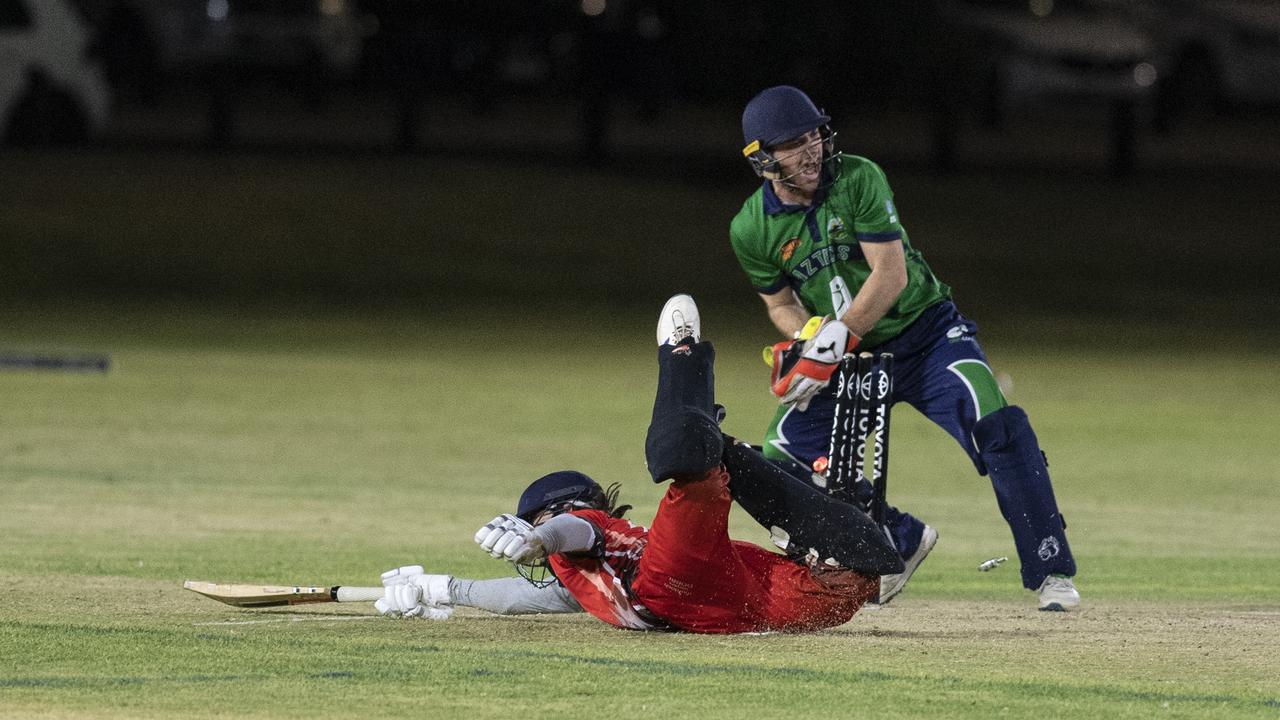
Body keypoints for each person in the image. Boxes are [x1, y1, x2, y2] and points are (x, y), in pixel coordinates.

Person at [730, 85, 1080, 611]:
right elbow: (779, 304)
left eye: (812, 137)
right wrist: (807, 339)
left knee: (997, 423)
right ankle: (895, 537)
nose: (810, 151)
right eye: (791, 144)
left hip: (926, 334)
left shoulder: (859, 177)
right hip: (850, 359)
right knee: (779, 458)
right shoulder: (750, 228)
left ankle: (1050, 569)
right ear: (762, 158)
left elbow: (890, 275)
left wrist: (838, 336)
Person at [374, 295, 904, 633]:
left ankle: (681, 358)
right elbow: (518, 599)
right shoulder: (577, 581)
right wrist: (442, 589)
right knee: (869, 561)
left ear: (552, 511)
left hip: (685, 588)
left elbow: (573, 531)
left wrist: (538, 539)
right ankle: (715, 438)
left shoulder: (585, 532)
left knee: (689, 470)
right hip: (790, 603)